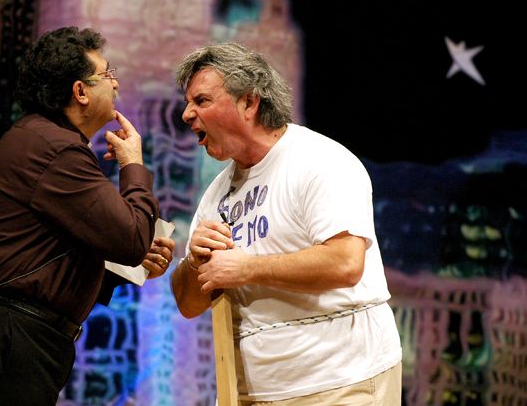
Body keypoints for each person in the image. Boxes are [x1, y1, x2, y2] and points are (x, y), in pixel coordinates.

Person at [0, 26, 175, 406]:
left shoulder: (42, 139)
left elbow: (44, 253)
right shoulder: (56, 150)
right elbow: (130, 239)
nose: (115, 84)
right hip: (7, 335)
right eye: (107, 74)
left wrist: (129, 263)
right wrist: (133, 165)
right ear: (80, 91)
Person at [170, 42, 402, 405]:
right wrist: (194, 263)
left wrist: (246, 269)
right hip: (254, 392)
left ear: (249, 102)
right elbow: (188, 304)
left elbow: (345, 263)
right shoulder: (215, 195)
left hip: (342, 382)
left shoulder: (320, 161)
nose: (187, 114)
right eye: (188, 103)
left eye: (201, 101)